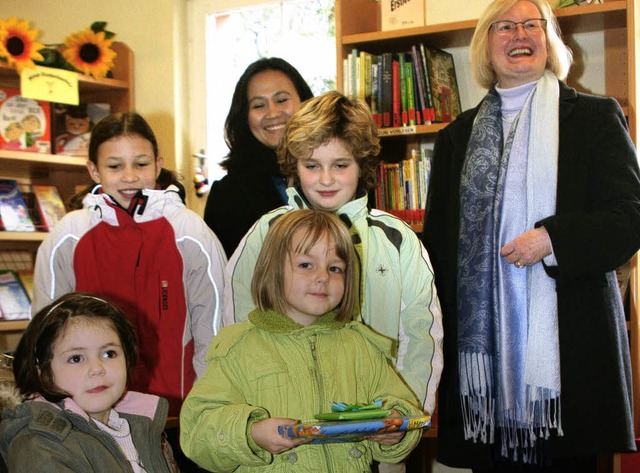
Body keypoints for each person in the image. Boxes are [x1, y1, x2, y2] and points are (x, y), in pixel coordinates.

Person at [421, 0, 640, 471]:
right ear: (486, 44)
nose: (519, 35)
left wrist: (553, 239)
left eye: (531, 25)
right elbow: (437, 248)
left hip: (571, 355)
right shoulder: (456, 137)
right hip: (484, 362)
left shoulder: (596, 118)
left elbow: (630, 219)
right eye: (505, 26)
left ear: (549, 39)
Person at [224, 91, 443, 470]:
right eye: (312, 165)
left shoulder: (396, 239)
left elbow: (421, 336)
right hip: (289, 435)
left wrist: (402, 419)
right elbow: (236, 326)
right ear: (294, 166)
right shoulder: (266, 233)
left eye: (340, 165)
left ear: (362, 165)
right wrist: (253, 418)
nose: (326, 180)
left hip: (375, 431)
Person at [180, 209, 424, 471]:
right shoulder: (239, 348)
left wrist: (395, 429)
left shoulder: (361, 346)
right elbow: (197, 430)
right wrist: (251, 433)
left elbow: (400, 407)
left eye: (335, 268)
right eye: (306, 265)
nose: (323, 277)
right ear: (273, 270)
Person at [0, 292, 178, 472]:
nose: (97, 368)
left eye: (109, 353)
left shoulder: (143, 424)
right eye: (76, 358)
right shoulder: (39, 445)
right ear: (42, 372)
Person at [203, 57, 314, 258]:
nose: (272, 113)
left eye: (281, 100)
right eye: (258, 105)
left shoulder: (337, 175)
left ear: (305, 103)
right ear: (245, 116)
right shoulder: (226, 196)